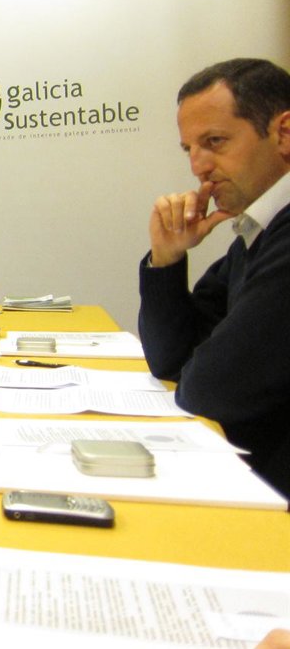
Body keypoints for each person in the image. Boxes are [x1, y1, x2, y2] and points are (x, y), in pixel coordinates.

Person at [139, 58, 290, 499]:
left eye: (215, 142)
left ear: (283, 133)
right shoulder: (255, 233)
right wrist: (167, 258)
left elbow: (210, 390)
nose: (198, 167)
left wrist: (200, 366)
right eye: (189, 149)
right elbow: (170, 360)